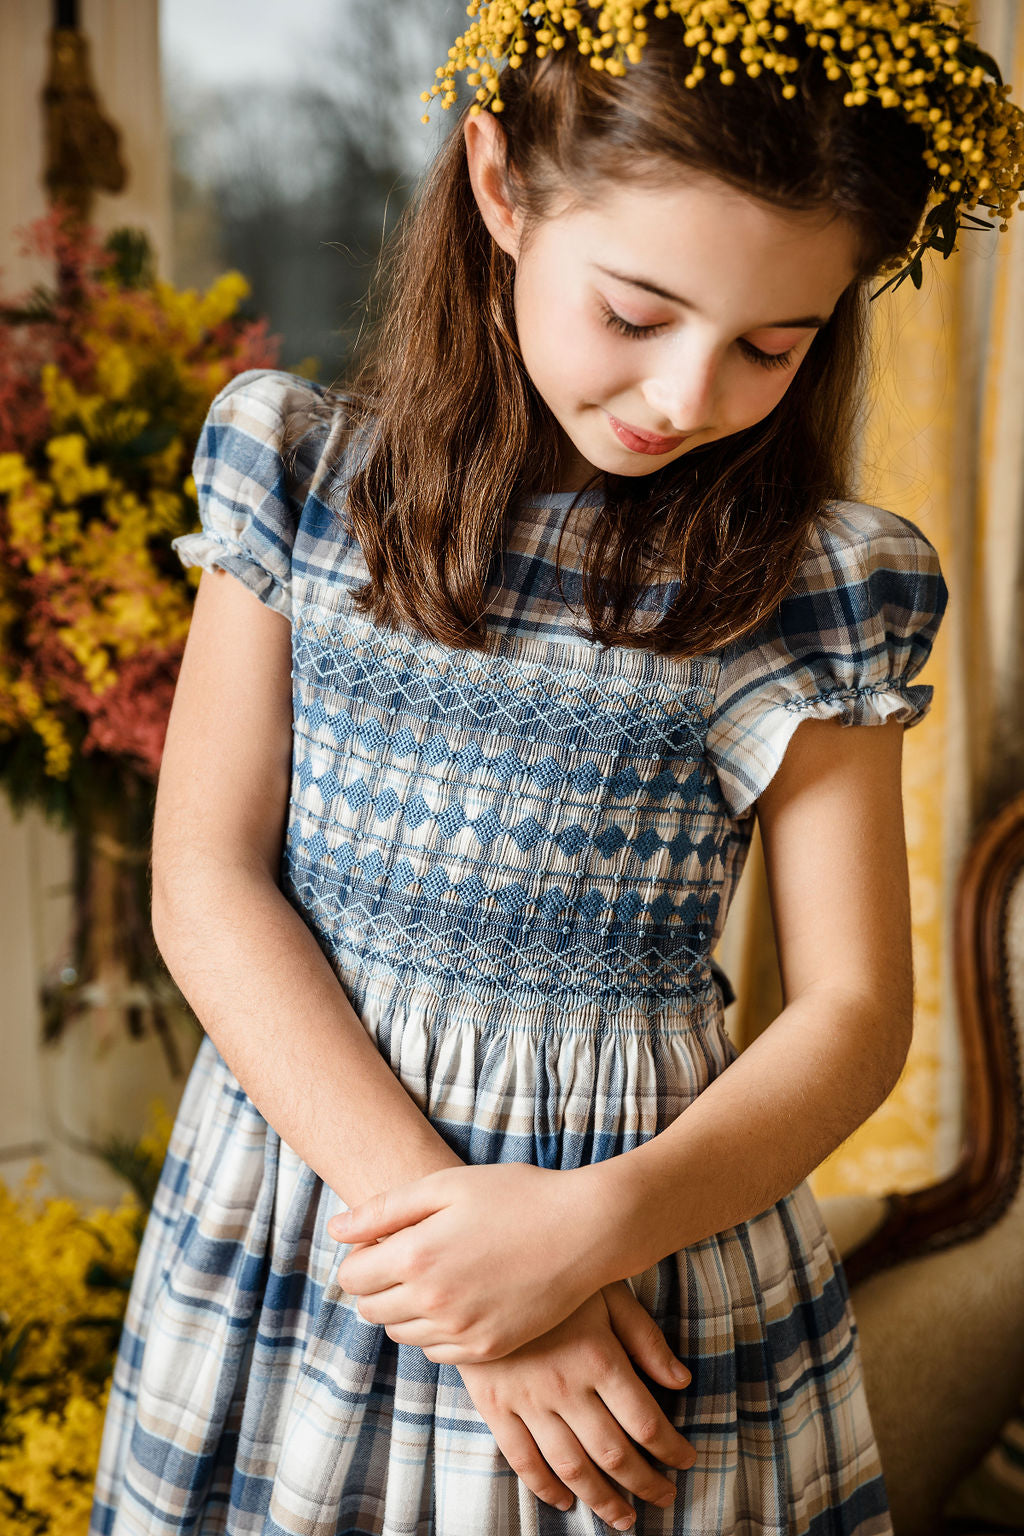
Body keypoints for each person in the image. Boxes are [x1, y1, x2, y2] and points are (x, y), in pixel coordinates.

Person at [88, 3, 1023, 1533]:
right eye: (639, 314)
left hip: (652, 1251)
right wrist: (492, 1295)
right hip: (318, 1217)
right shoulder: (301, 476)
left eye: (771, 346)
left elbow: (854, 1017)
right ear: (502, 187)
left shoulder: (822, 582)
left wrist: (588, 1232)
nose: (686, 397)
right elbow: (205, 882)